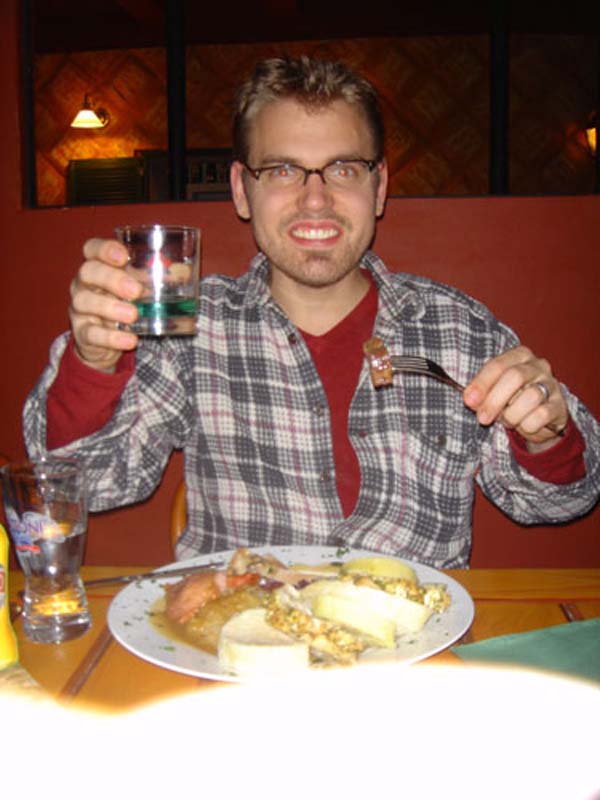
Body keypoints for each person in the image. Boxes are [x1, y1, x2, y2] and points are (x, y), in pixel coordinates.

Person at [23, 56, 600, 568]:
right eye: (281, 170)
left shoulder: (460, 329)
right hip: (239, 654)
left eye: (344, 169)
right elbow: (90, 483)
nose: (315, 198)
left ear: (379, 188)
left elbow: (556, 502)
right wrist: (92, 361)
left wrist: (547, 433)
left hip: (415, 657)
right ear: (241, 191)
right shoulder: (191, 328)